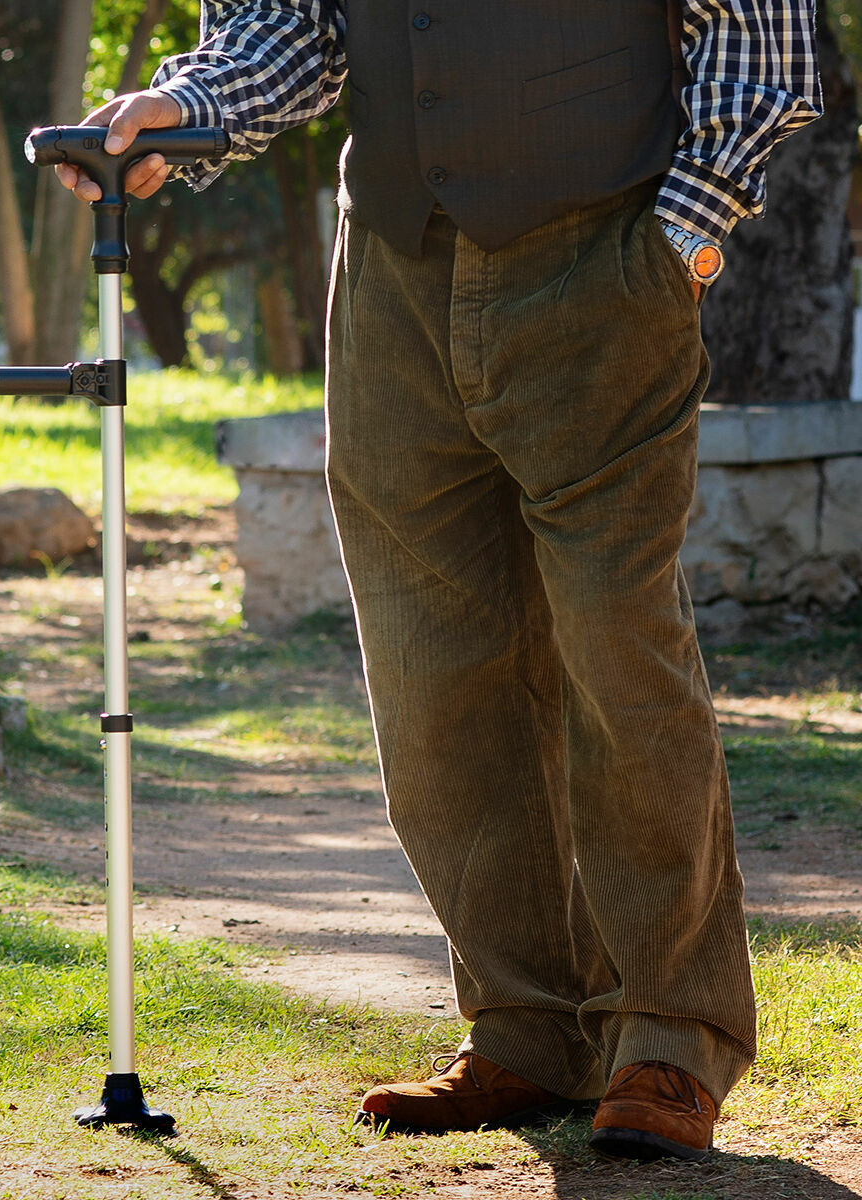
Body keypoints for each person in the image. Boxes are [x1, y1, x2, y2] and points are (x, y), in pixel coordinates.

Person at [55, 0, 821, 1162]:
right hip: (393, 280)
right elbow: (292, 22)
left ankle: (671, 1036)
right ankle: (528, 1026)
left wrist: (685, 239)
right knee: (433, 669)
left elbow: (763, 35)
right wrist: (187, 104)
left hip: (606, 264)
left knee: (617, 645)